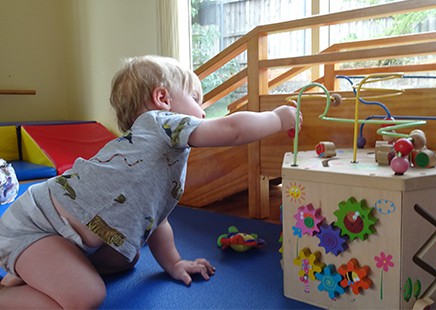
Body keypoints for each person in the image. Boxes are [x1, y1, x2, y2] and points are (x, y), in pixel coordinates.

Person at [0, 55, 302, 309]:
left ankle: (35, 271)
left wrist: (173, 264)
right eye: (197, 100)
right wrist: (277, 118)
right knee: (86, 297)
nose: (203, 111)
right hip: (33, 227)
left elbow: (156, 219)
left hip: (65, 238)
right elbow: (233, 129)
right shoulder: (159, 122)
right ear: (162, 100)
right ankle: (8, 294)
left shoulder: (154, 155)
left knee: (126, 257)